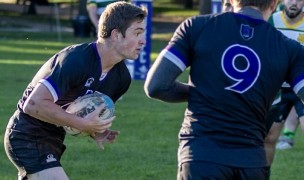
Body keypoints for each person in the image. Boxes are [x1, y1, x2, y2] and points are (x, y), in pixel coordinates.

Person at [144, 0, 304, 179]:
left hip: (202, 154)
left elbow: (156, 86)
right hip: (251, 160)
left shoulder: (197, 26)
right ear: (274, 4)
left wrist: (205, 93)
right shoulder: (290, 48)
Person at [4, 2, 147, 179]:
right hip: (26, 134)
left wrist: (97, 130)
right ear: (116, 34)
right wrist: (81, 124)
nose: (143, 41)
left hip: (54, 139)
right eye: (137, 33)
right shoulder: (76, 59)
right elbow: (33, 105)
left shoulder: (121, 78)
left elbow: (82, 112)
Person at [263, 0, 304, 166]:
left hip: (301, 87)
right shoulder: (272, 21)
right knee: (269, 137)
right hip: (277, 88)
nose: (294, 3)